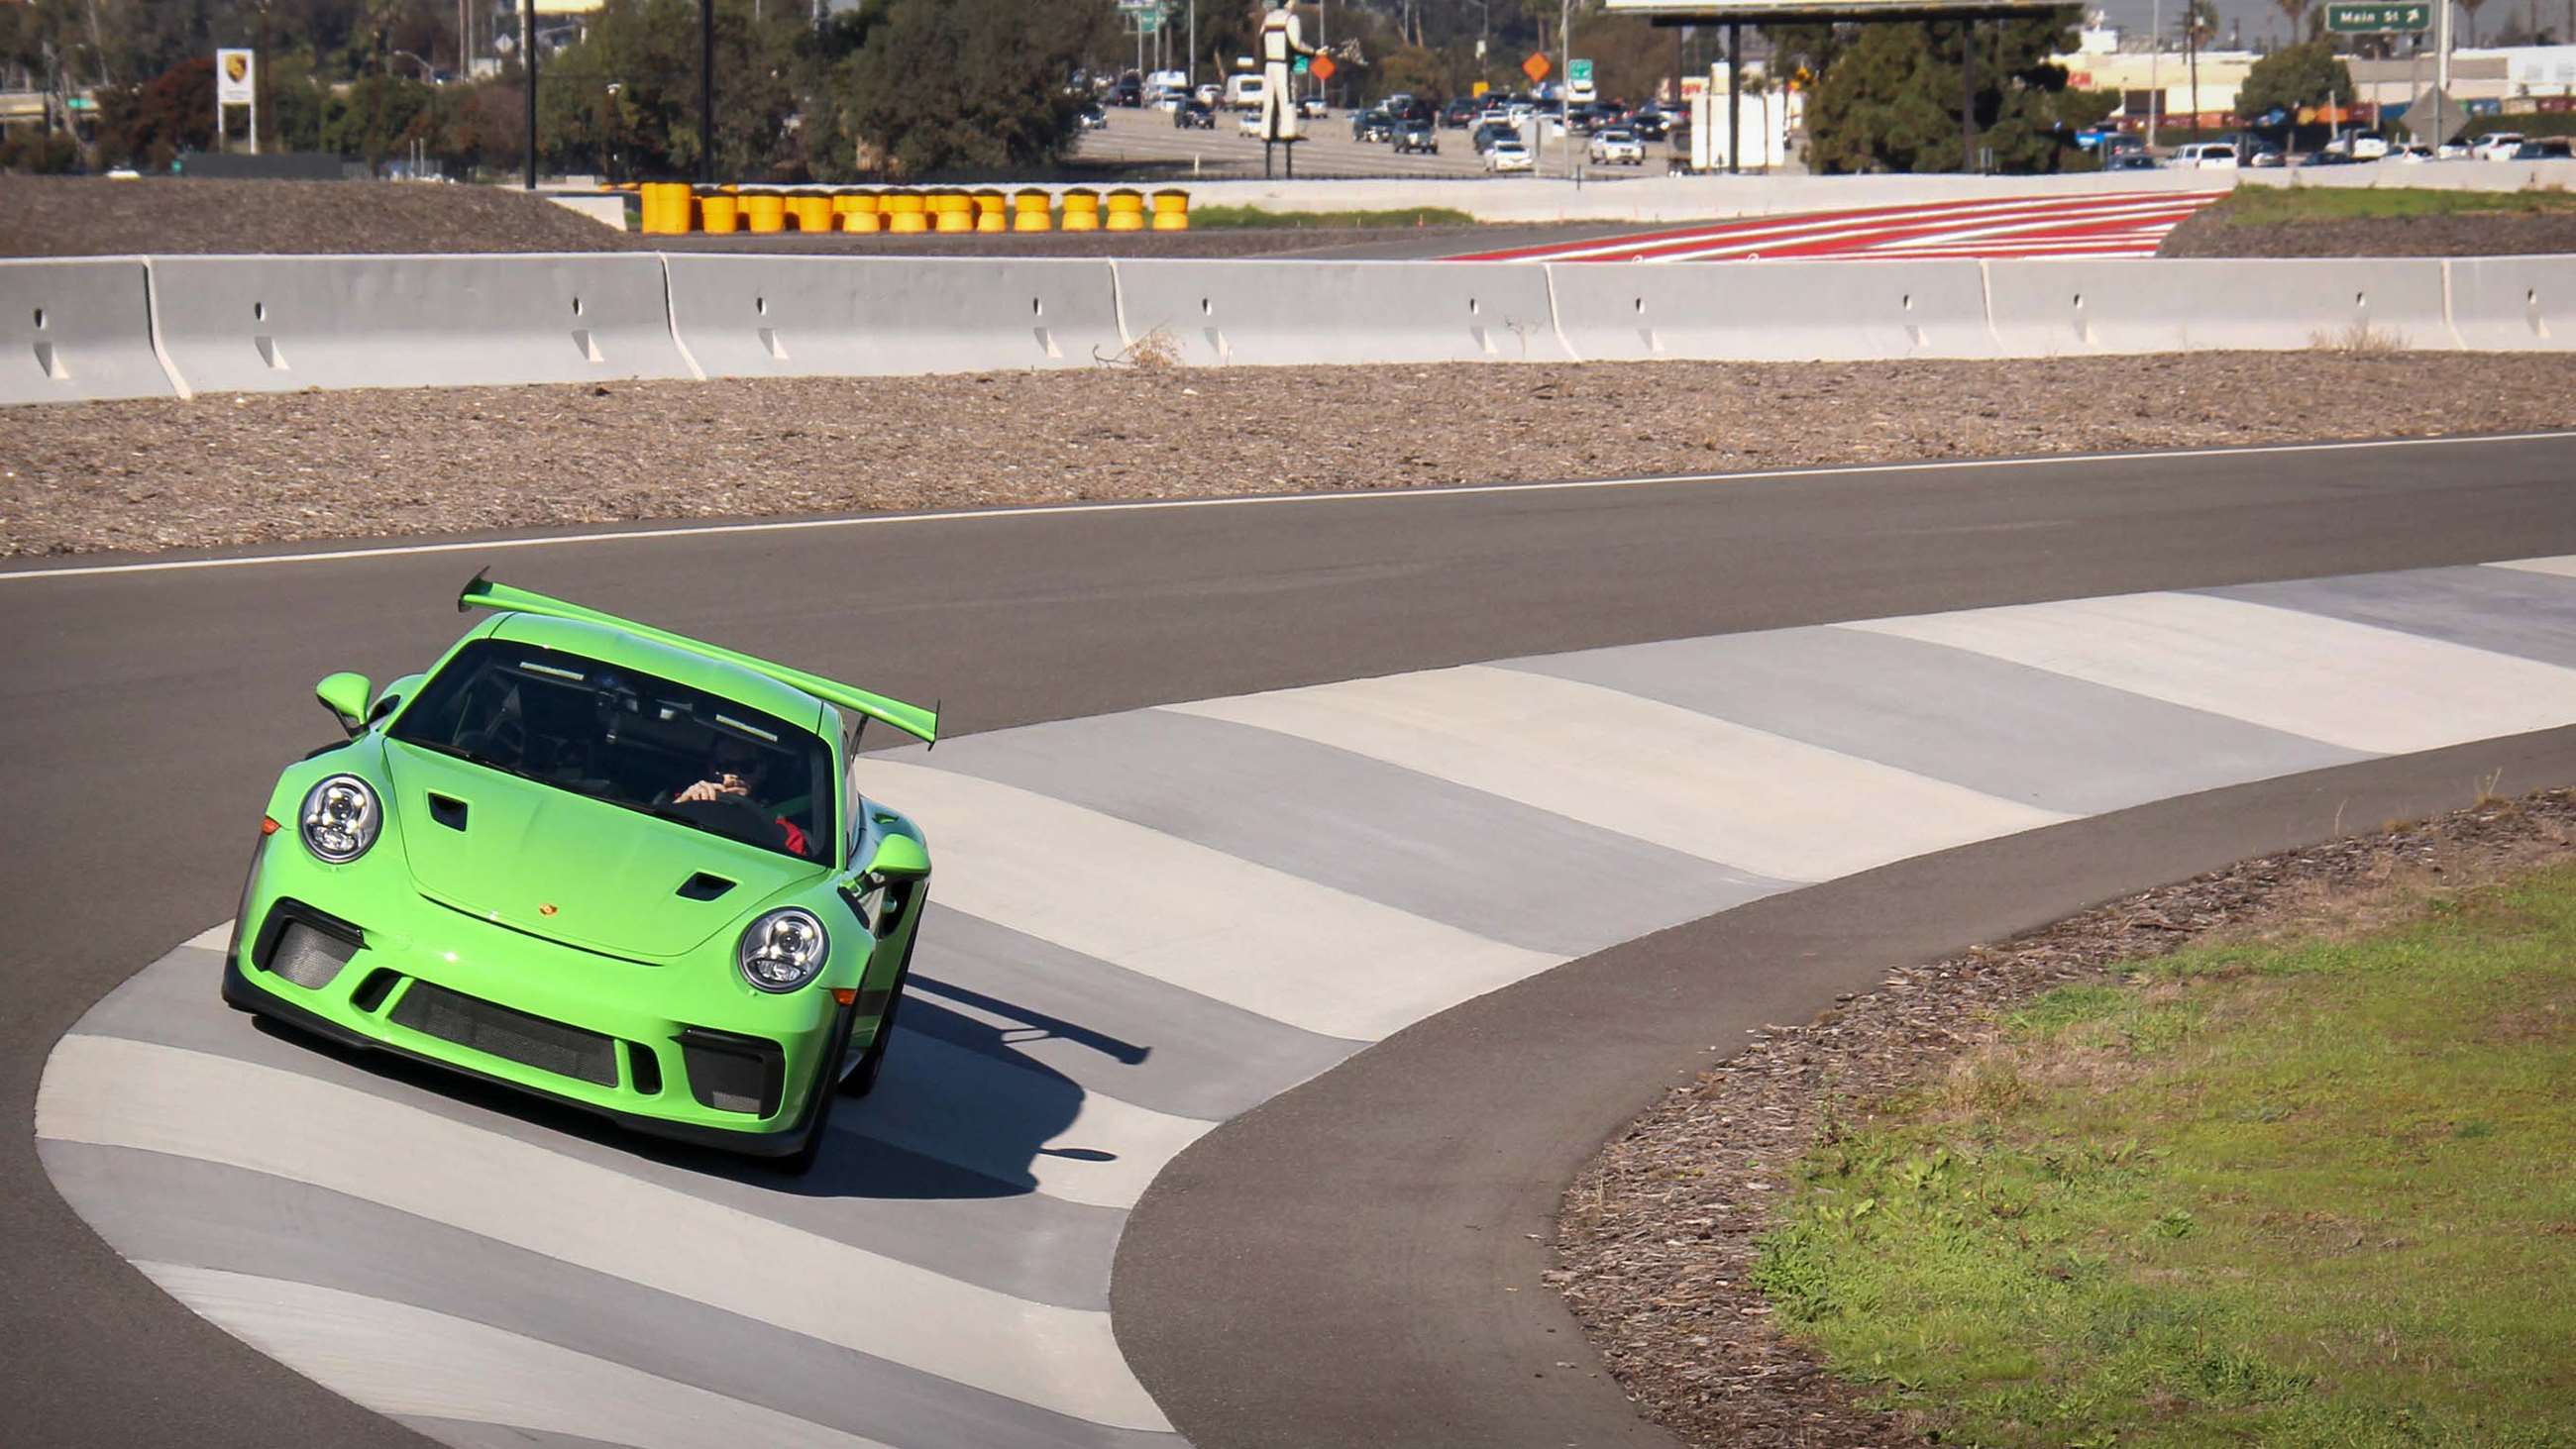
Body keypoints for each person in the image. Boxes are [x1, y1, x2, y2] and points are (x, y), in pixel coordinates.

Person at [673, 734, 809, 856]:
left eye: (747, 767)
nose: (734, 775)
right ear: (711, 768)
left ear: (762, 771)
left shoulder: (781, 831)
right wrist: (680, 804)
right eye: (725, 766)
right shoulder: (687, 798)